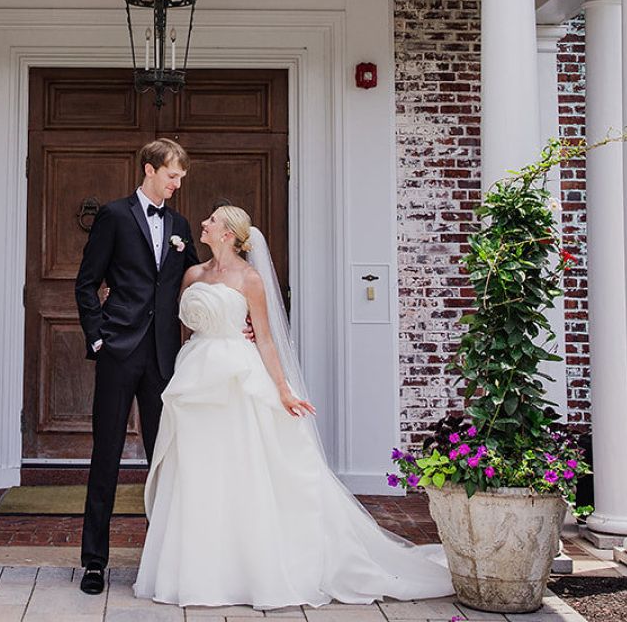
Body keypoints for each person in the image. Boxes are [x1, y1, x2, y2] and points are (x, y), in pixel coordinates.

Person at [134, 205, 454, 609]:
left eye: (213, 220)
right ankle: (197, 569)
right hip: (195, 374)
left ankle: (248, 568)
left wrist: (283, 390)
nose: (204, 224)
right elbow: (174, 320)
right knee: (198, 470)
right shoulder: (192, 274)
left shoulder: (250, 280)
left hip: (237, 377)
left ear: (229, 233)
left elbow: (265, 338)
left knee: (241, 467)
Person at [73, 138, 204, 595]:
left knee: (163, 459)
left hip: (163, 357)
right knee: (105, 454)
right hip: (118, 351)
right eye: (172, 175)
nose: (177, 184)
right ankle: (94, 563)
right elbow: (87, 283)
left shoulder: (181, 224)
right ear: (149, 169)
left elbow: (197, 280)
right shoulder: (113, 216)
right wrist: (97, 337)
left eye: (181, 178)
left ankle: (164, 560)